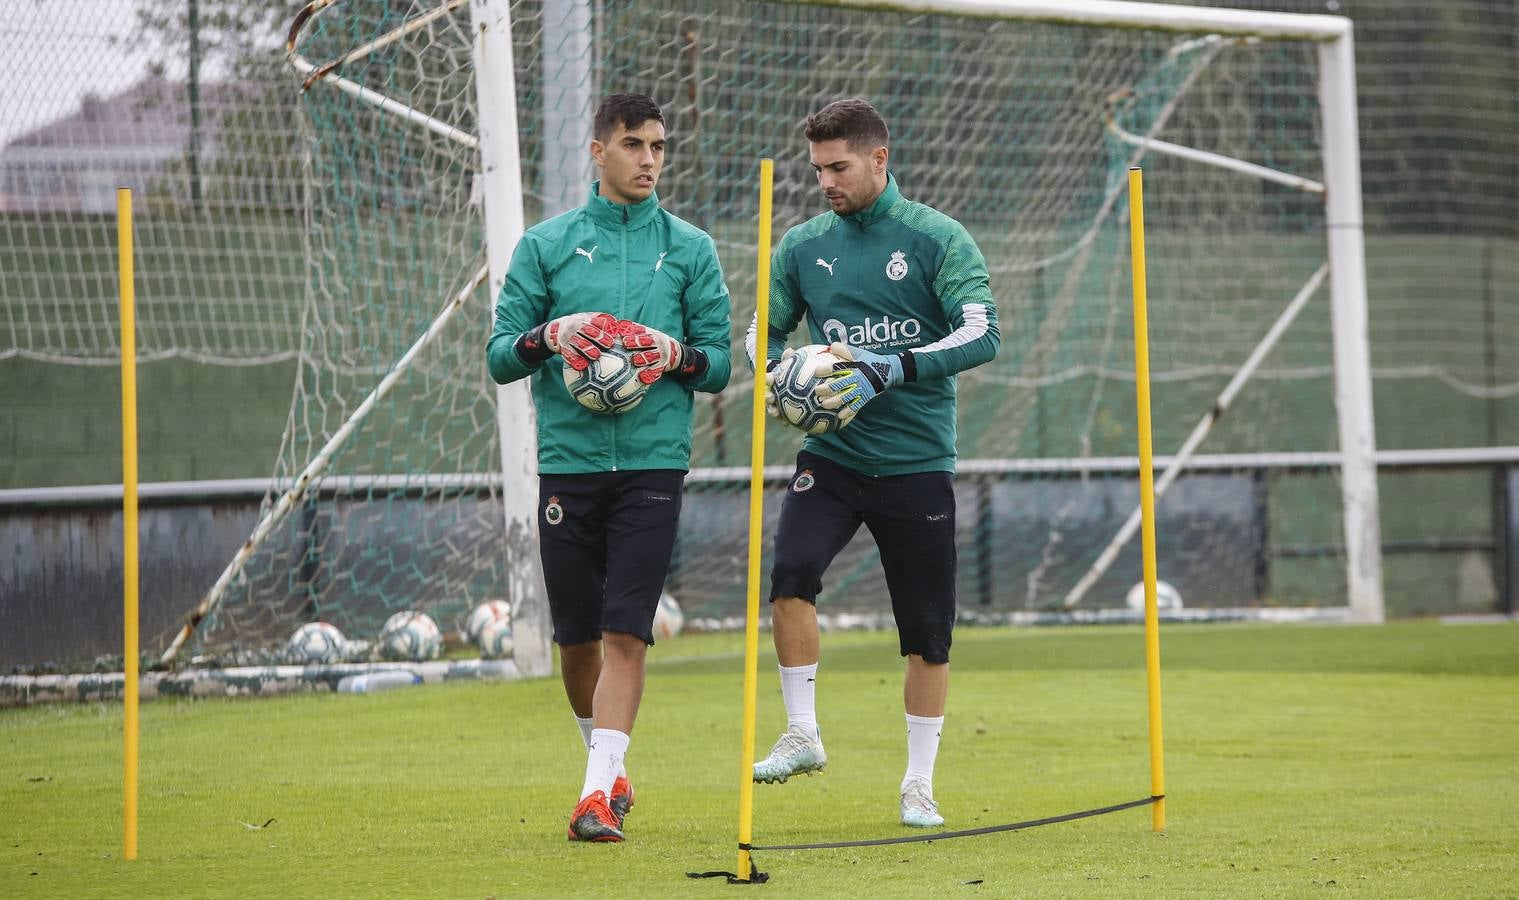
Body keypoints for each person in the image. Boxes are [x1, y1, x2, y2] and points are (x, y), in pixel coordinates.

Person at [744, 97, 1000, 828]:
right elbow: (763, 327)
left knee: (926, 631)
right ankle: (801, 733)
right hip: (832, 455)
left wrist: (891, 367)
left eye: (839, 166)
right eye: (818, 168)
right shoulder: (801, 244)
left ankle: (917, 784)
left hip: (917, 463)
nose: (825, 179)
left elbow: (982, 334)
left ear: (878, 159)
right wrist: (771, 376)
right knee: (790, 575)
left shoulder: (935, 238)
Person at [486, 93, 732, 843]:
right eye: (633, 145)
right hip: (569, 463)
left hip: (654, 465)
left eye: (658, 146)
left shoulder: (690, 249)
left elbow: (718, 363)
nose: (649, 160)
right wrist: (549, 335)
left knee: (628, 628)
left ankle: (592, 796)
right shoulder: (546, 246)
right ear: (598, 152)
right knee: (577, 639)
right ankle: (608, 765)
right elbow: (500, 357)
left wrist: (675, 355)